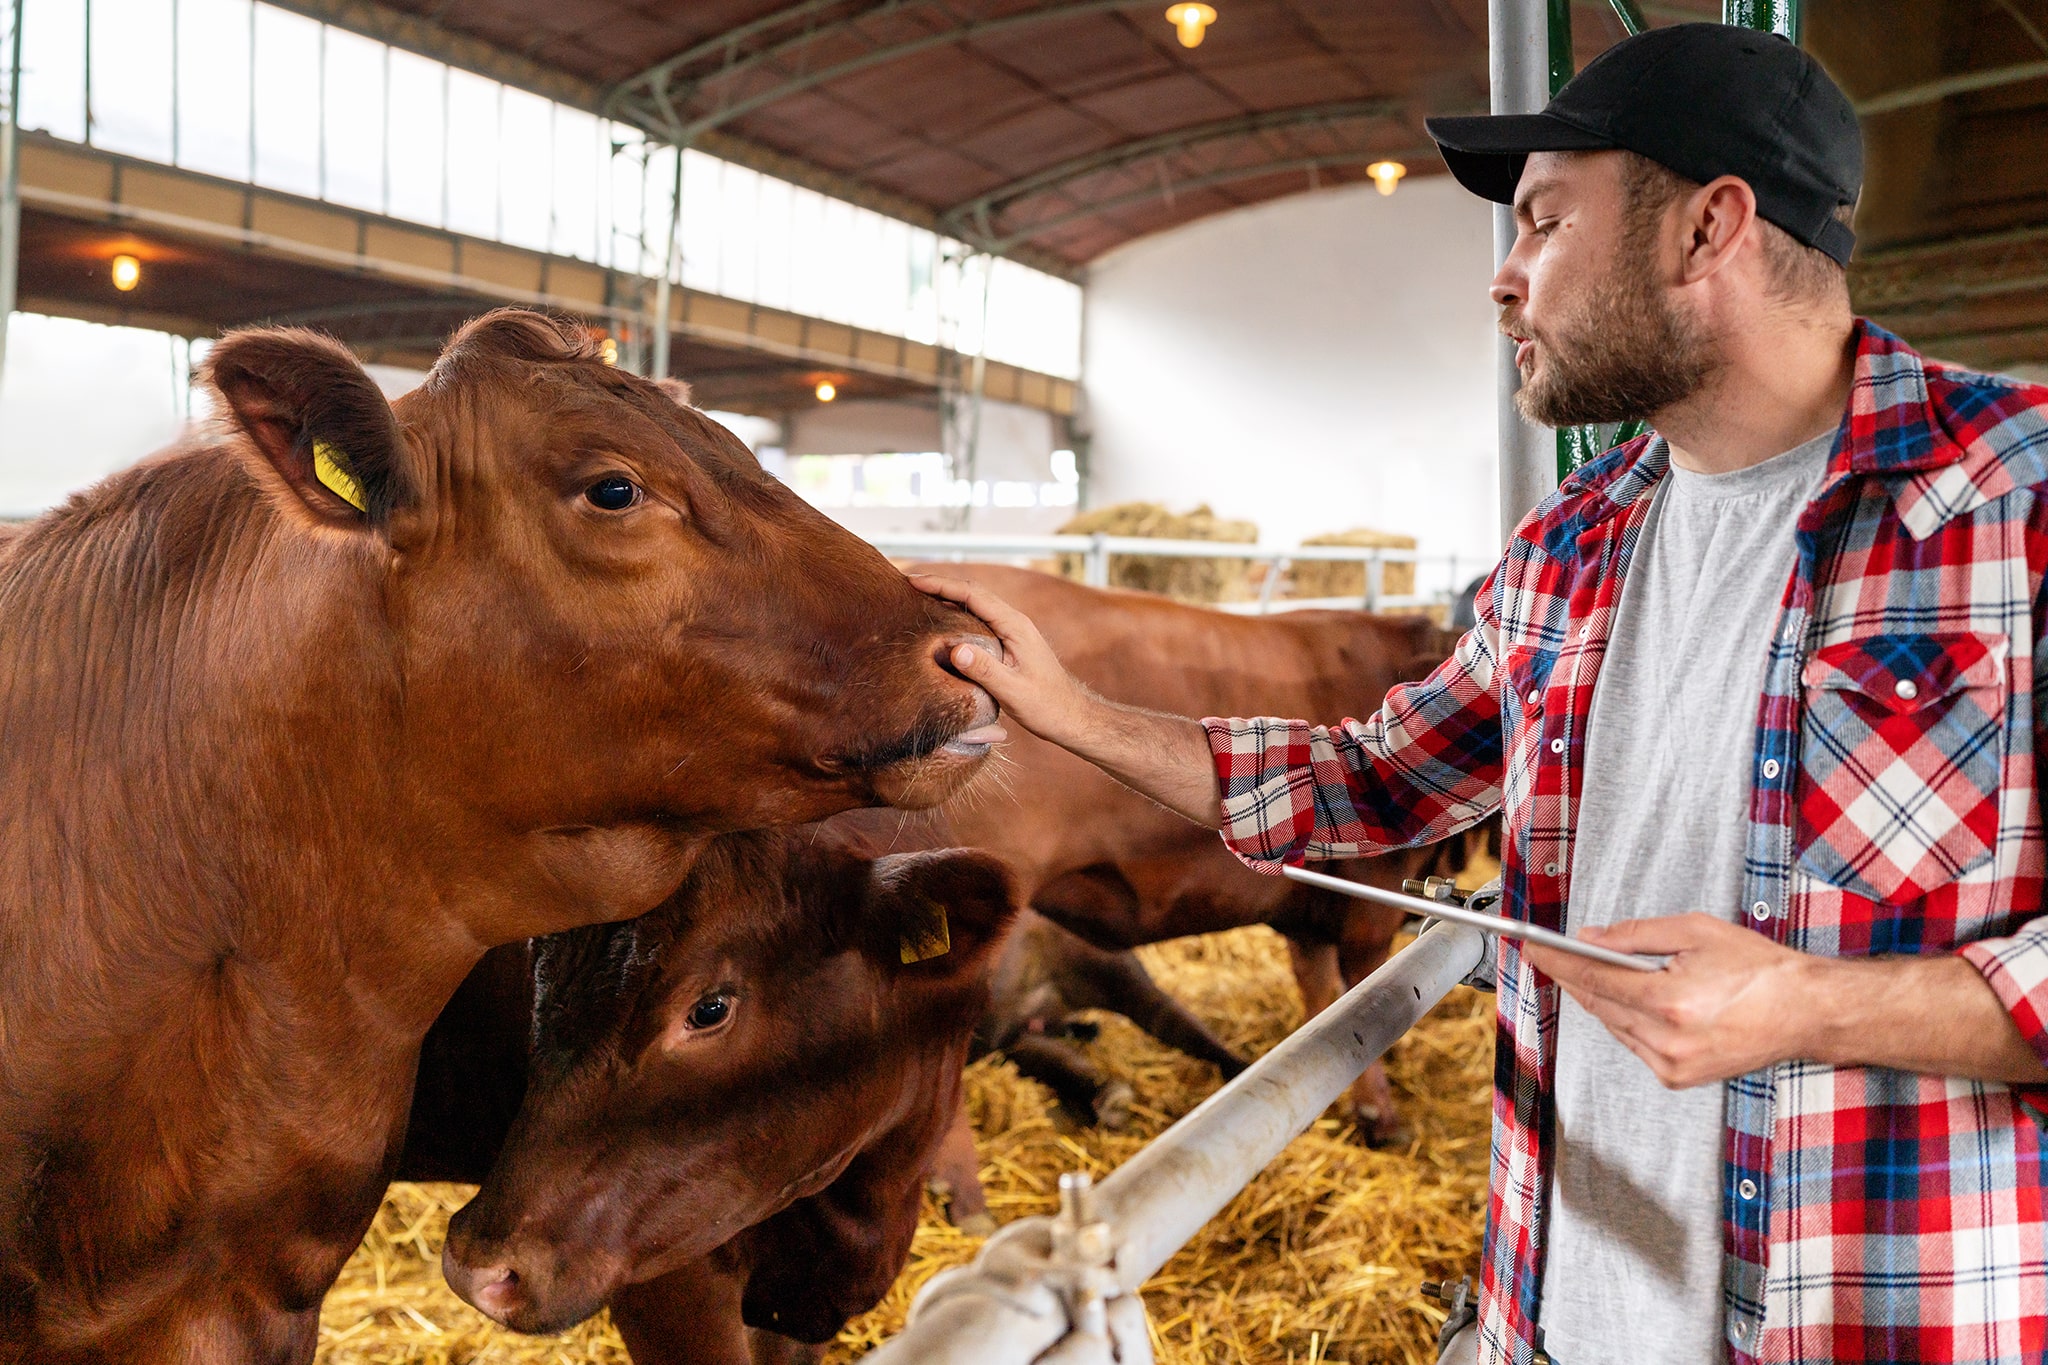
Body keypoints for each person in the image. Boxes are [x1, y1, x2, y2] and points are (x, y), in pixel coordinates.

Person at [914, 23, 2048, 1365]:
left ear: (1709, 228)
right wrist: (1074, 712)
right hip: (1552, 1316)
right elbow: (1372, 782)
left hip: (1872, 1322)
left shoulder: (2013, 502)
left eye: (1545, 222)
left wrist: (1811, 1005)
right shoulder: (1573, 543)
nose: (1506, 281)